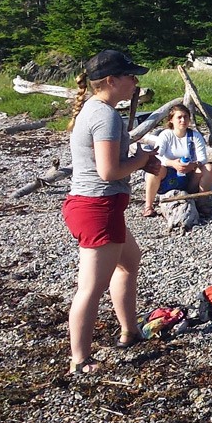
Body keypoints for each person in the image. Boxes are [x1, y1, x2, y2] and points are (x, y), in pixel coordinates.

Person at [63, 50, 162, 375]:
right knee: (90, 288)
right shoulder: (104, 116)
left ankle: (129, 330)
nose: (135, 81)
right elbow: (108, 171)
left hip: (98, 206)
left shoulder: (98, 110)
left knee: (130, 261)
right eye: (131, 76)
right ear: (111, 81)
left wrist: (137, 157)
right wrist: (144, 161)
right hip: (97, 208)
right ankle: (80, 359)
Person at [141, 103, 212, 215]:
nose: (183, 120)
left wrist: (193, 165)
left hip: (188, 176)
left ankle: (202, 203)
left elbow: (203, 158)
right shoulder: (166, 135)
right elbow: (157, 156)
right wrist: (172, 163)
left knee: (209, 168)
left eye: (185, 117)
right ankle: (148, 206)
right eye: (179, 117)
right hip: (168, 176)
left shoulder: (195, 136)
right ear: (171, 120)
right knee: (155, 169)